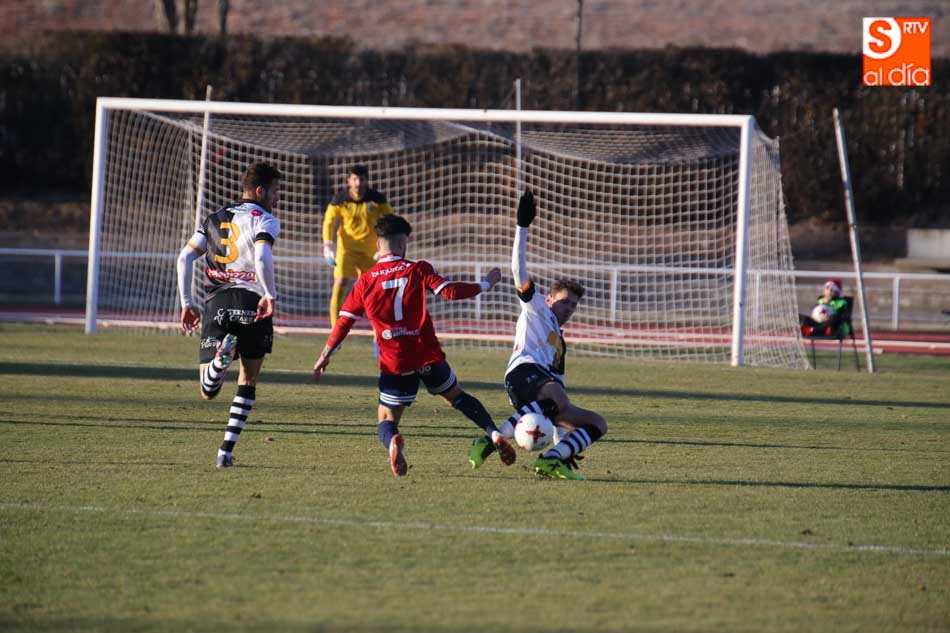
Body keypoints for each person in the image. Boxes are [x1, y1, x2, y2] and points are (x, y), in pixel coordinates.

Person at [312, 214, 517, 477]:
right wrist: (486, 283)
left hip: (396, 362)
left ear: (378, 245)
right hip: (427, 356)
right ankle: (494, 433)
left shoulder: (366, 281)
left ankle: (393, 441)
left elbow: (344, 322)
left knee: (386, 419)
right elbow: (449, 291)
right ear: (402, 244)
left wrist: (326, 353)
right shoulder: (418, 269)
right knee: (457, 396)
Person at [468, 191, 608, 480]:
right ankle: (490, 440)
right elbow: (518, 270)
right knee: (557, 396)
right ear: (548, 299)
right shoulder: (536, 309)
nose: (569, 308)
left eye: (573, 305)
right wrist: (522, 226)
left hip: (544, 393)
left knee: (597, 423)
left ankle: (552, 460)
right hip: (523, 374)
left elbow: (560, 390)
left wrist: (559, 444)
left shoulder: (560, 344)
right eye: (564, 301)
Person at [177, 161, 282, 468]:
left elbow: (185, 257)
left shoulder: (214, 217)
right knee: (248, 380)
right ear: (260, 191)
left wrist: (187, 302)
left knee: (208, 391)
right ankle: (225, 450)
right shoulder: (266, 220)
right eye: (275, 191)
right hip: (253, 303)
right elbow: (261, 255)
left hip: (217, 303)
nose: (277, 198)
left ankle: (217, 365)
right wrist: (270, 294)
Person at [322, 165, 394, 325]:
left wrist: (384, 247)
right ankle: (335, 330)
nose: (358, 183)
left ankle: (379, 333)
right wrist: (327, 246)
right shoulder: (340, 199)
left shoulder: (377, 200)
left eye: (362, 179)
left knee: (374, 291)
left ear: (367, 181)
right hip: (346, 250)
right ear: (349, 181)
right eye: (354, 179)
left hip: (371, 252)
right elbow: (329, 221)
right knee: (340, 282)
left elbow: (392, 221)